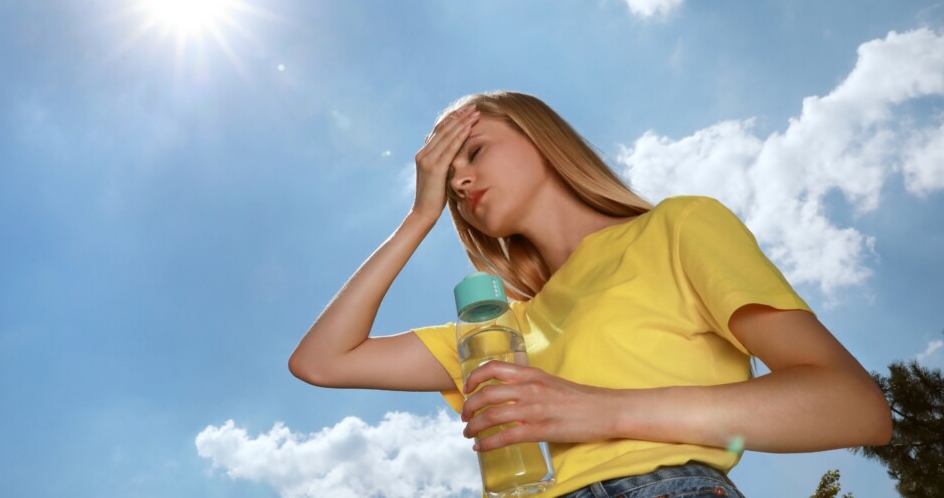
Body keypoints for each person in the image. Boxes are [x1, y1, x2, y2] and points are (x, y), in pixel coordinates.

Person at [288, 91, 892, 497]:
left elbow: (853, 406)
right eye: (449, 184)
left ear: (541, 138)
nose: (462, 180)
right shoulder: (501, 331)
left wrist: (603, 409)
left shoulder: (676, 229)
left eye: (473, 152)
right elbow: (321, 361)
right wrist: (420, 216)